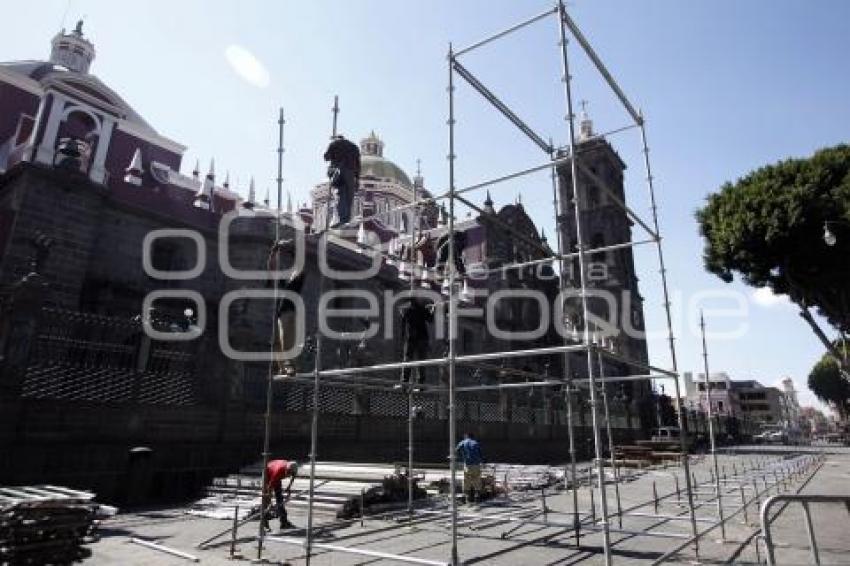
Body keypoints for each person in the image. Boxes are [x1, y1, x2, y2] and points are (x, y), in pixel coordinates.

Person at [267, 238, 306, 376]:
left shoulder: (297, 280)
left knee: (286, 338)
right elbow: (272, 268)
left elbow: (300, 266)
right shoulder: (284, 282)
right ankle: (282, 367)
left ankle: (290, 365)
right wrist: (274, 250)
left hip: (289, 311)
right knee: (276, 342)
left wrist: (293, 251)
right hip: (281, 312)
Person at [323, 134, 361, 228]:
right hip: (351, 174)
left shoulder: (335, 143)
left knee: (340, 195)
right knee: (348, 197)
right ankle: (346, 220)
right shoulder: (354, 147)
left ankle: (343, 220)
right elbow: (358, 165)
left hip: (339, 172)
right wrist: (357, 179)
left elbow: (326, 157)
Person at [398, 296, 434, 387]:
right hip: (421, 338)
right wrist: (433, 310)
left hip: (411, 339)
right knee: (420, 362)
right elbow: (430, 319)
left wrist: (403, 338)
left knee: (408, 360)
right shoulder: (421, 309)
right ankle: (420, 384)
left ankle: (404, 382)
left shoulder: (408, 310)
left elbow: (403, 325)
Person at [262, 459, 299, 531]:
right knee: (266, 500)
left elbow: (293, 476)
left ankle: (284, 522)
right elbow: (270, 487)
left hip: (276, 475)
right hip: (268, 473)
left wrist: (289, 487)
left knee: (280, 500)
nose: (288, 474)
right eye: (288, 472)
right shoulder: (278, 471)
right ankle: (264, 523)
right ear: (286, 469)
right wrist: (270, 502)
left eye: (290, 473)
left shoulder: (293, 468)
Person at [456, 432, 483, 503]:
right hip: (476, 464)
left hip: (467, 464)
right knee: (476, 479)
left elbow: (457, 450)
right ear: (473, 437)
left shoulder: (463, 442)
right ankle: (477, 496)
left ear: (466, 436)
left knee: (466, 480)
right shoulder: (476, 443)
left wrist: (462, 456)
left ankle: (466, 497)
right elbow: (481, 453)